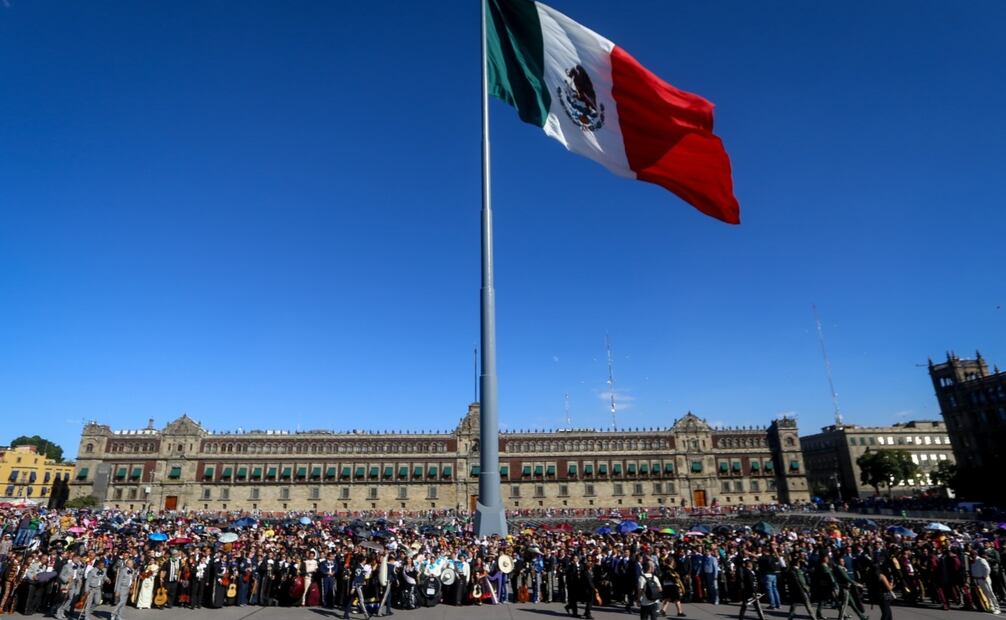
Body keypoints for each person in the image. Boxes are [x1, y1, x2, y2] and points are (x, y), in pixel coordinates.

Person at [971, 548, 1002, 615]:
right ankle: (991, 607)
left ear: (976, 554)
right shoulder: (973, 561)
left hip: (984, 579)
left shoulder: (981, 560)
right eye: (971, 554)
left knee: (990, 593)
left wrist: (985, 575)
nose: (972, 555)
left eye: (973, 554)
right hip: (978, 579)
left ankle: (997, 608)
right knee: (986, 594)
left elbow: (987, 568)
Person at [784, 554, 815, 620]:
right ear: (797, 563)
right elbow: (801, 582)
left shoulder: (790, 571)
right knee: (807, 604)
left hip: (794, 591)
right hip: (801, 590)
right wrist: (806, 589)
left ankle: (790, 617)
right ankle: (813, 617)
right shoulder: (797, 571)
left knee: (794, 605)